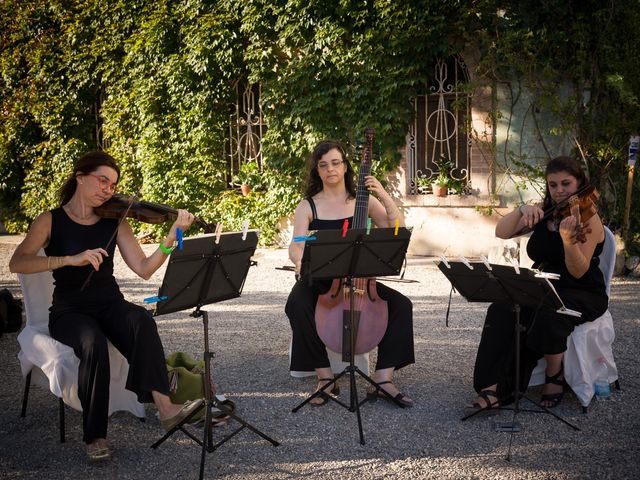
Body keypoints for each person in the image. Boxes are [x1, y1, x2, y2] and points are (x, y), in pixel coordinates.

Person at [9, 151, 204, 462]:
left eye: (112, 185)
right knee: (93, 343)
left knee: (141, 320)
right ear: (80, 176)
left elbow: (144, 267)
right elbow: (17, 261)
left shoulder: (114, 220)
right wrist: (69, 259)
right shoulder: (50, 220)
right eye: (102, 181)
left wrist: (172, 234)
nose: (108, 190)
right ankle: (95, 436)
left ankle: (166, 408)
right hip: (69, 311)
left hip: (109, 303)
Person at [466, 155, 608, 414]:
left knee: (549, 314)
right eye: (553, 185)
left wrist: (568, 241)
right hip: (543, 283)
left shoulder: (588, 218)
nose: (559, 191)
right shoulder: (545, 211)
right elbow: (502, 232)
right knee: (500, 309)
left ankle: (555, 376)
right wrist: (522, 209)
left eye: (566, 183)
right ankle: (493, 386)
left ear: (579, 183)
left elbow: (578, 271)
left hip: (581, 290)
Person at [285, 140, 415, 407]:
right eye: (323, 165)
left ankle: (383, 378)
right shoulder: (308, 205)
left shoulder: (362, 201)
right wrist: (299, 262)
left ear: (345, 166)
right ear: (317, 171)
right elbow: (296, 244)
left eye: (335, 163)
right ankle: (324, 376)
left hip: (360, 280)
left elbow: (395, 228)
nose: (330, 169)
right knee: (296, 304)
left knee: (402, 305)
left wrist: (384, 195)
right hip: (323, 280)